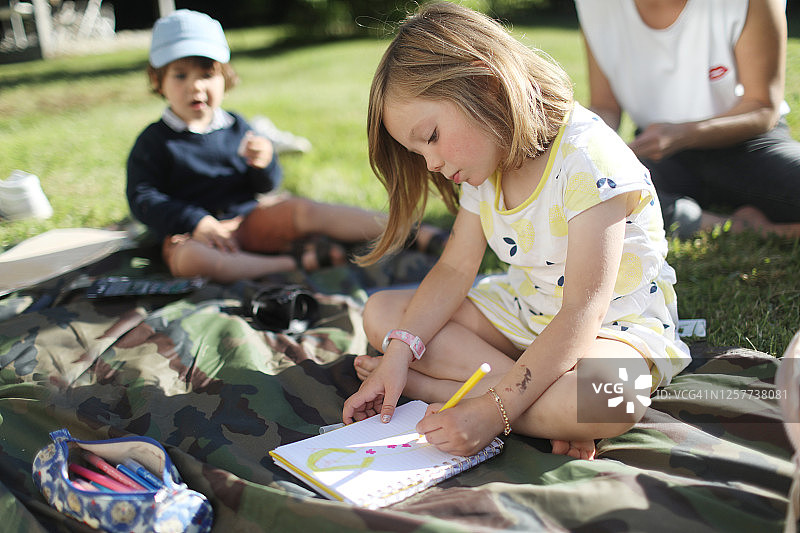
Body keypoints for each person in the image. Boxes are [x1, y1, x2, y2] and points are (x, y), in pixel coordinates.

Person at [341, 2, 691, 461]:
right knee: (383, 312)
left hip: (607, 328)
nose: (431, 164)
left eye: (430, 137)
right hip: (524, 314)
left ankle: (451, 390)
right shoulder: (485, 164)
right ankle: (539, 403)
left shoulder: (589, 159)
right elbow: (453, 269)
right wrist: (400, 358)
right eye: (418, 152)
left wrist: (495, 412)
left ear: (483, 83)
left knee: (611, 396)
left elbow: (583, 311)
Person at [127, 10, 446, 284]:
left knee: (304, 209)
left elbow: (265, 186)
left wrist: (264, 164)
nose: (195, 86)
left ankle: (411, 230)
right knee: (188, 261)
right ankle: (291, 265)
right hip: (193, 235)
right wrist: (193, 221)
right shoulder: (155, 141)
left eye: (206, 73)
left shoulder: (236, 126)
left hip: (249, 222)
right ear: (158, 82)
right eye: (180, 76)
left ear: (226, 77)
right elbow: (143, 198)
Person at [575, 0, 800, 239]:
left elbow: (763, 108)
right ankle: (736, 225)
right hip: (660, 155)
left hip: (750, 146)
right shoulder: (596, 5)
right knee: (589, 191)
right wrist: (585, 147)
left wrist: (681, 134)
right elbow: (605, 106)